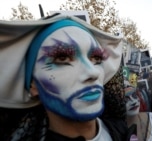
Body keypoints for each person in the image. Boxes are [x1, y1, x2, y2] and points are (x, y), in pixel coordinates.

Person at [0, 17, 132, 140]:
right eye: (62, 58)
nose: (93, 73)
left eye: (96, 59)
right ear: (33, 84)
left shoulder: (123, 132)